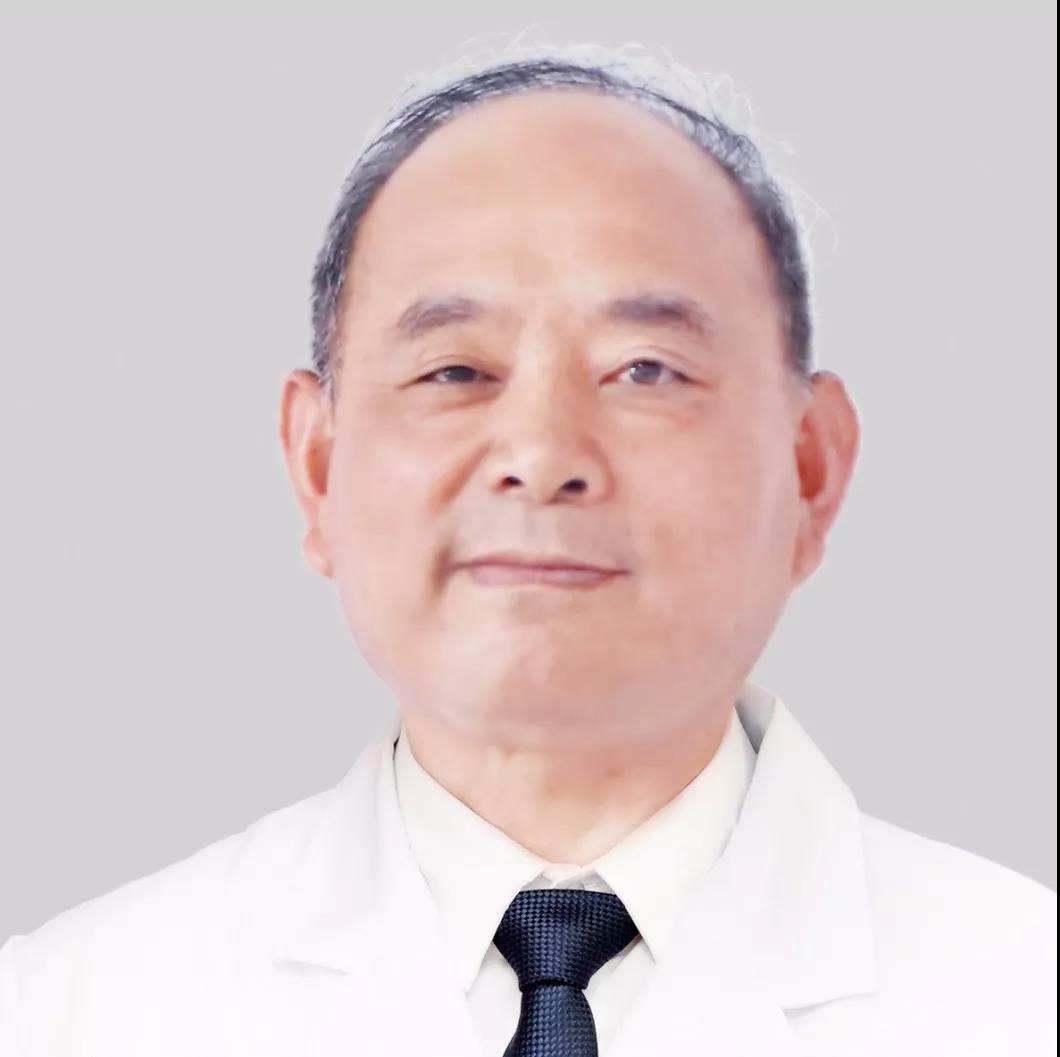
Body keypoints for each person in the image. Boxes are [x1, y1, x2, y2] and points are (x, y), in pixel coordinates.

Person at [1, 40, 1054, 1057]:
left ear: (810, 468)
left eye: (646, 369)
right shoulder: (67, 1013)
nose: (543, 456)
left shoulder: (1023, 996)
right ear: (317, 465)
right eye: (455, 371)